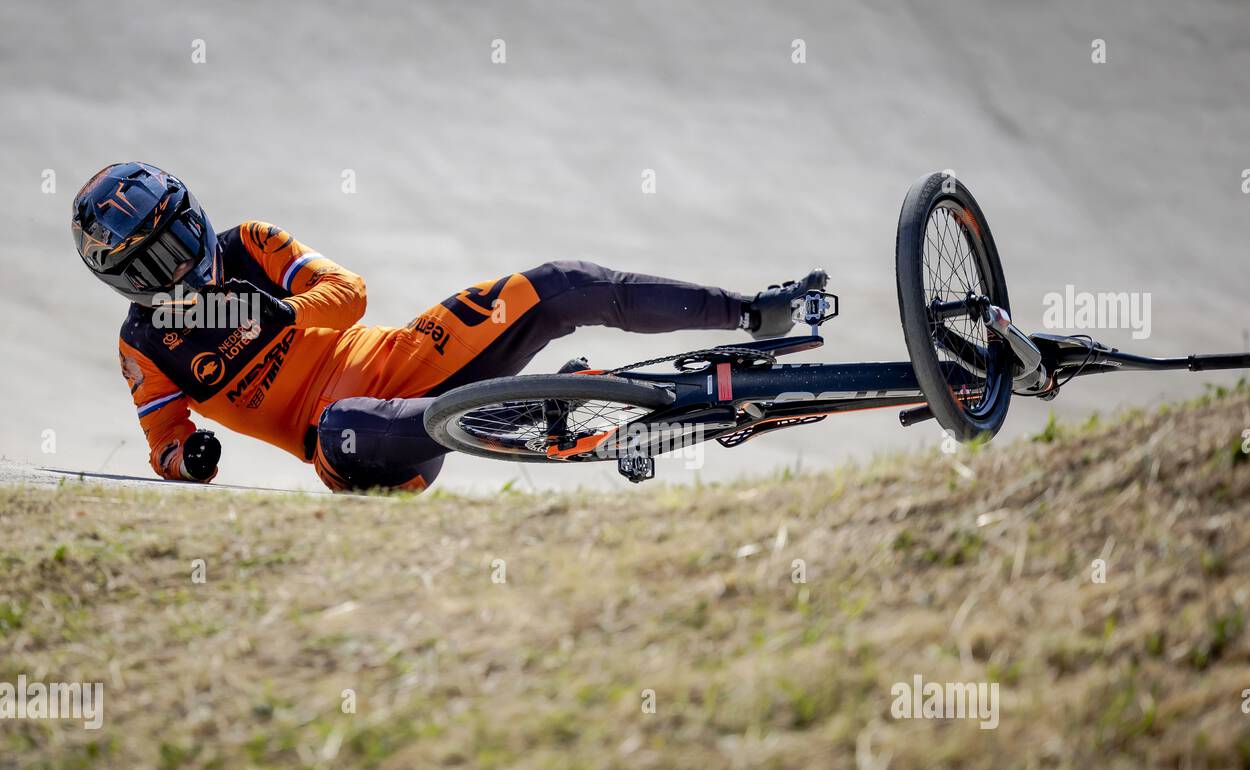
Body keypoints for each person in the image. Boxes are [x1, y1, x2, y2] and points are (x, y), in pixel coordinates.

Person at [72, 162, 826, 491]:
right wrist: (187, 460)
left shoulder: (252, 245)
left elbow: (351, 292)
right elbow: (162, 442)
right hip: (354, 442)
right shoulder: (142, 348)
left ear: (195, 221)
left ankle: (750, 309)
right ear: (119, 285)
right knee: (339, 423)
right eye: (148, 270)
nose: (175, 273)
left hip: (411, 357)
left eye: (175, 246)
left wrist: (285, 312)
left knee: (557, 285)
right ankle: (541, 406)